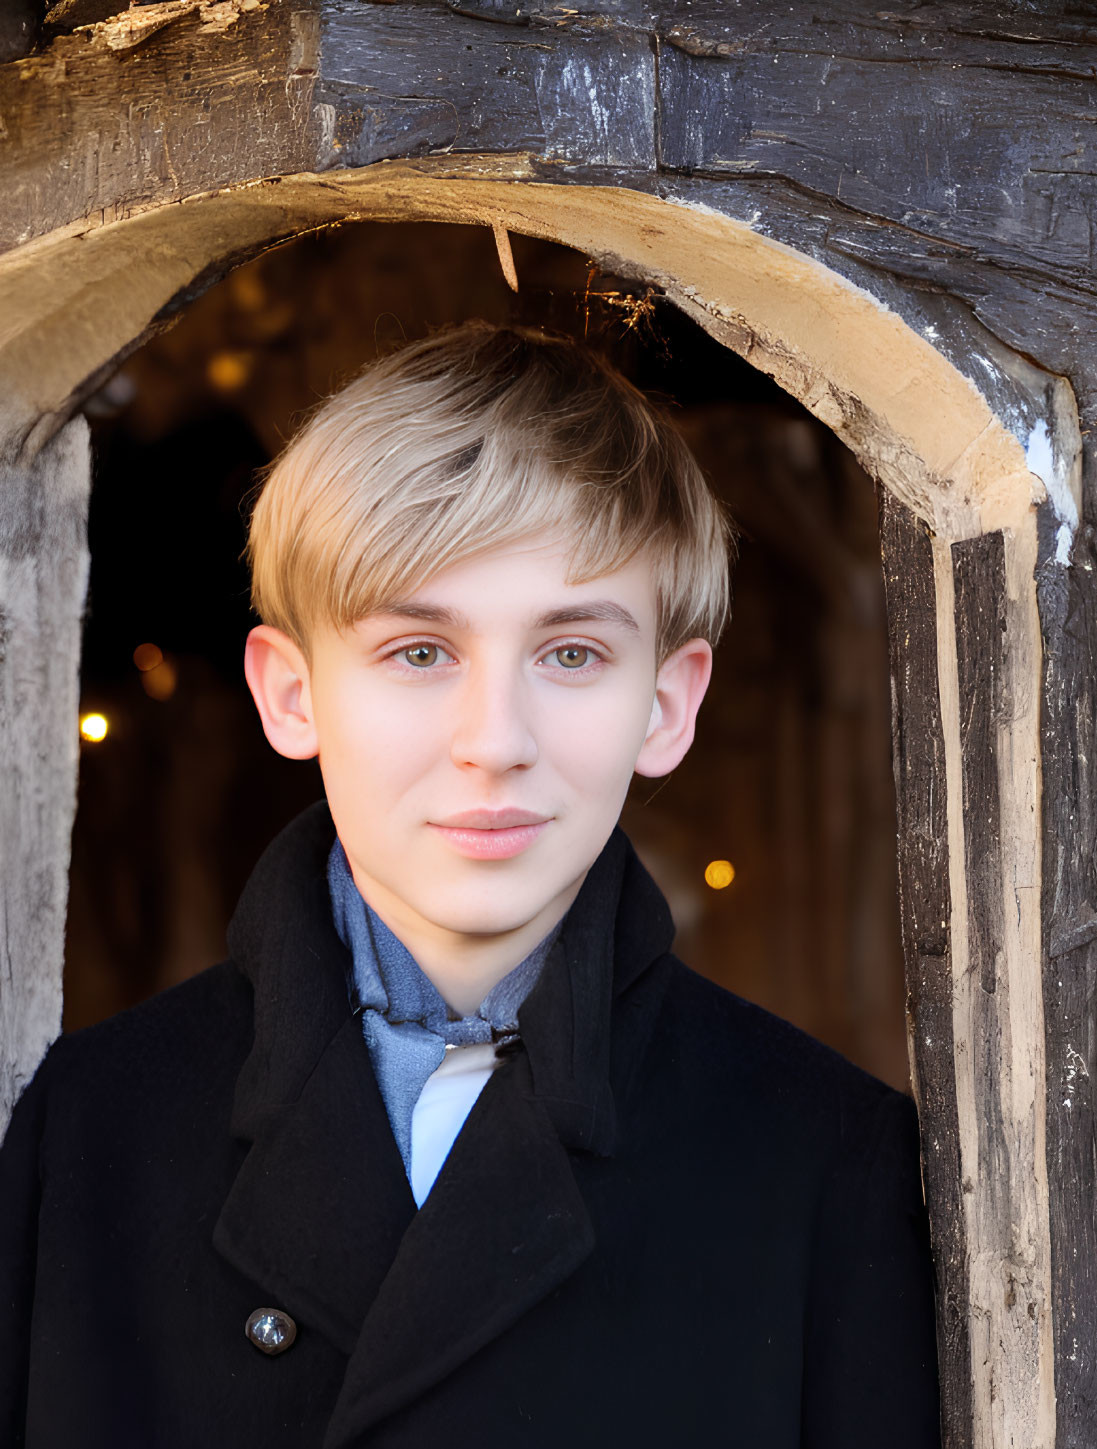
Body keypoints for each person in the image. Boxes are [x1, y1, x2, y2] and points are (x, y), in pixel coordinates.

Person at [0, 321, 942, 1446]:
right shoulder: (94, 1129)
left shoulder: (827, 1159)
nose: (494, 740)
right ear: (292, 693)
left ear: (667, 703)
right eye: (419, 652)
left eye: (572, 653)